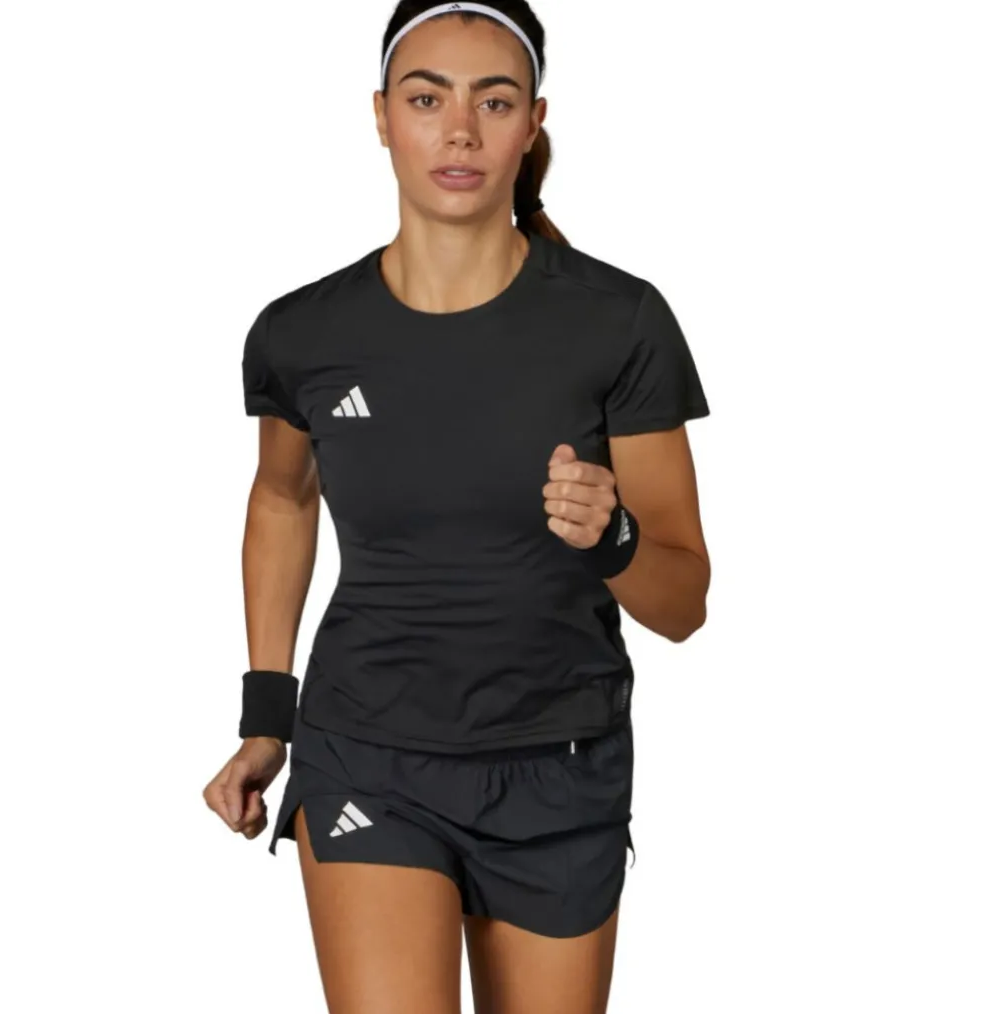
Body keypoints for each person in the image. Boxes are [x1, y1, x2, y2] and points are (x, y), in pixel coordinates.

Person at [203, 2, 711, 1011]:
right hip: (366, 754)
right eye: (427, 99)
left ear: (533, 123)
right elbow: (281, 499)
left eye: (495, 101)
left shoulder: (619, 322)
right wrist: (268, 714)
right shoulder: (303, 334)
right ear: (381, 116)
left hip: (559, 763)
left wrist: (611, 536)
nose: (461, 132)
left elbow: (684, 603)